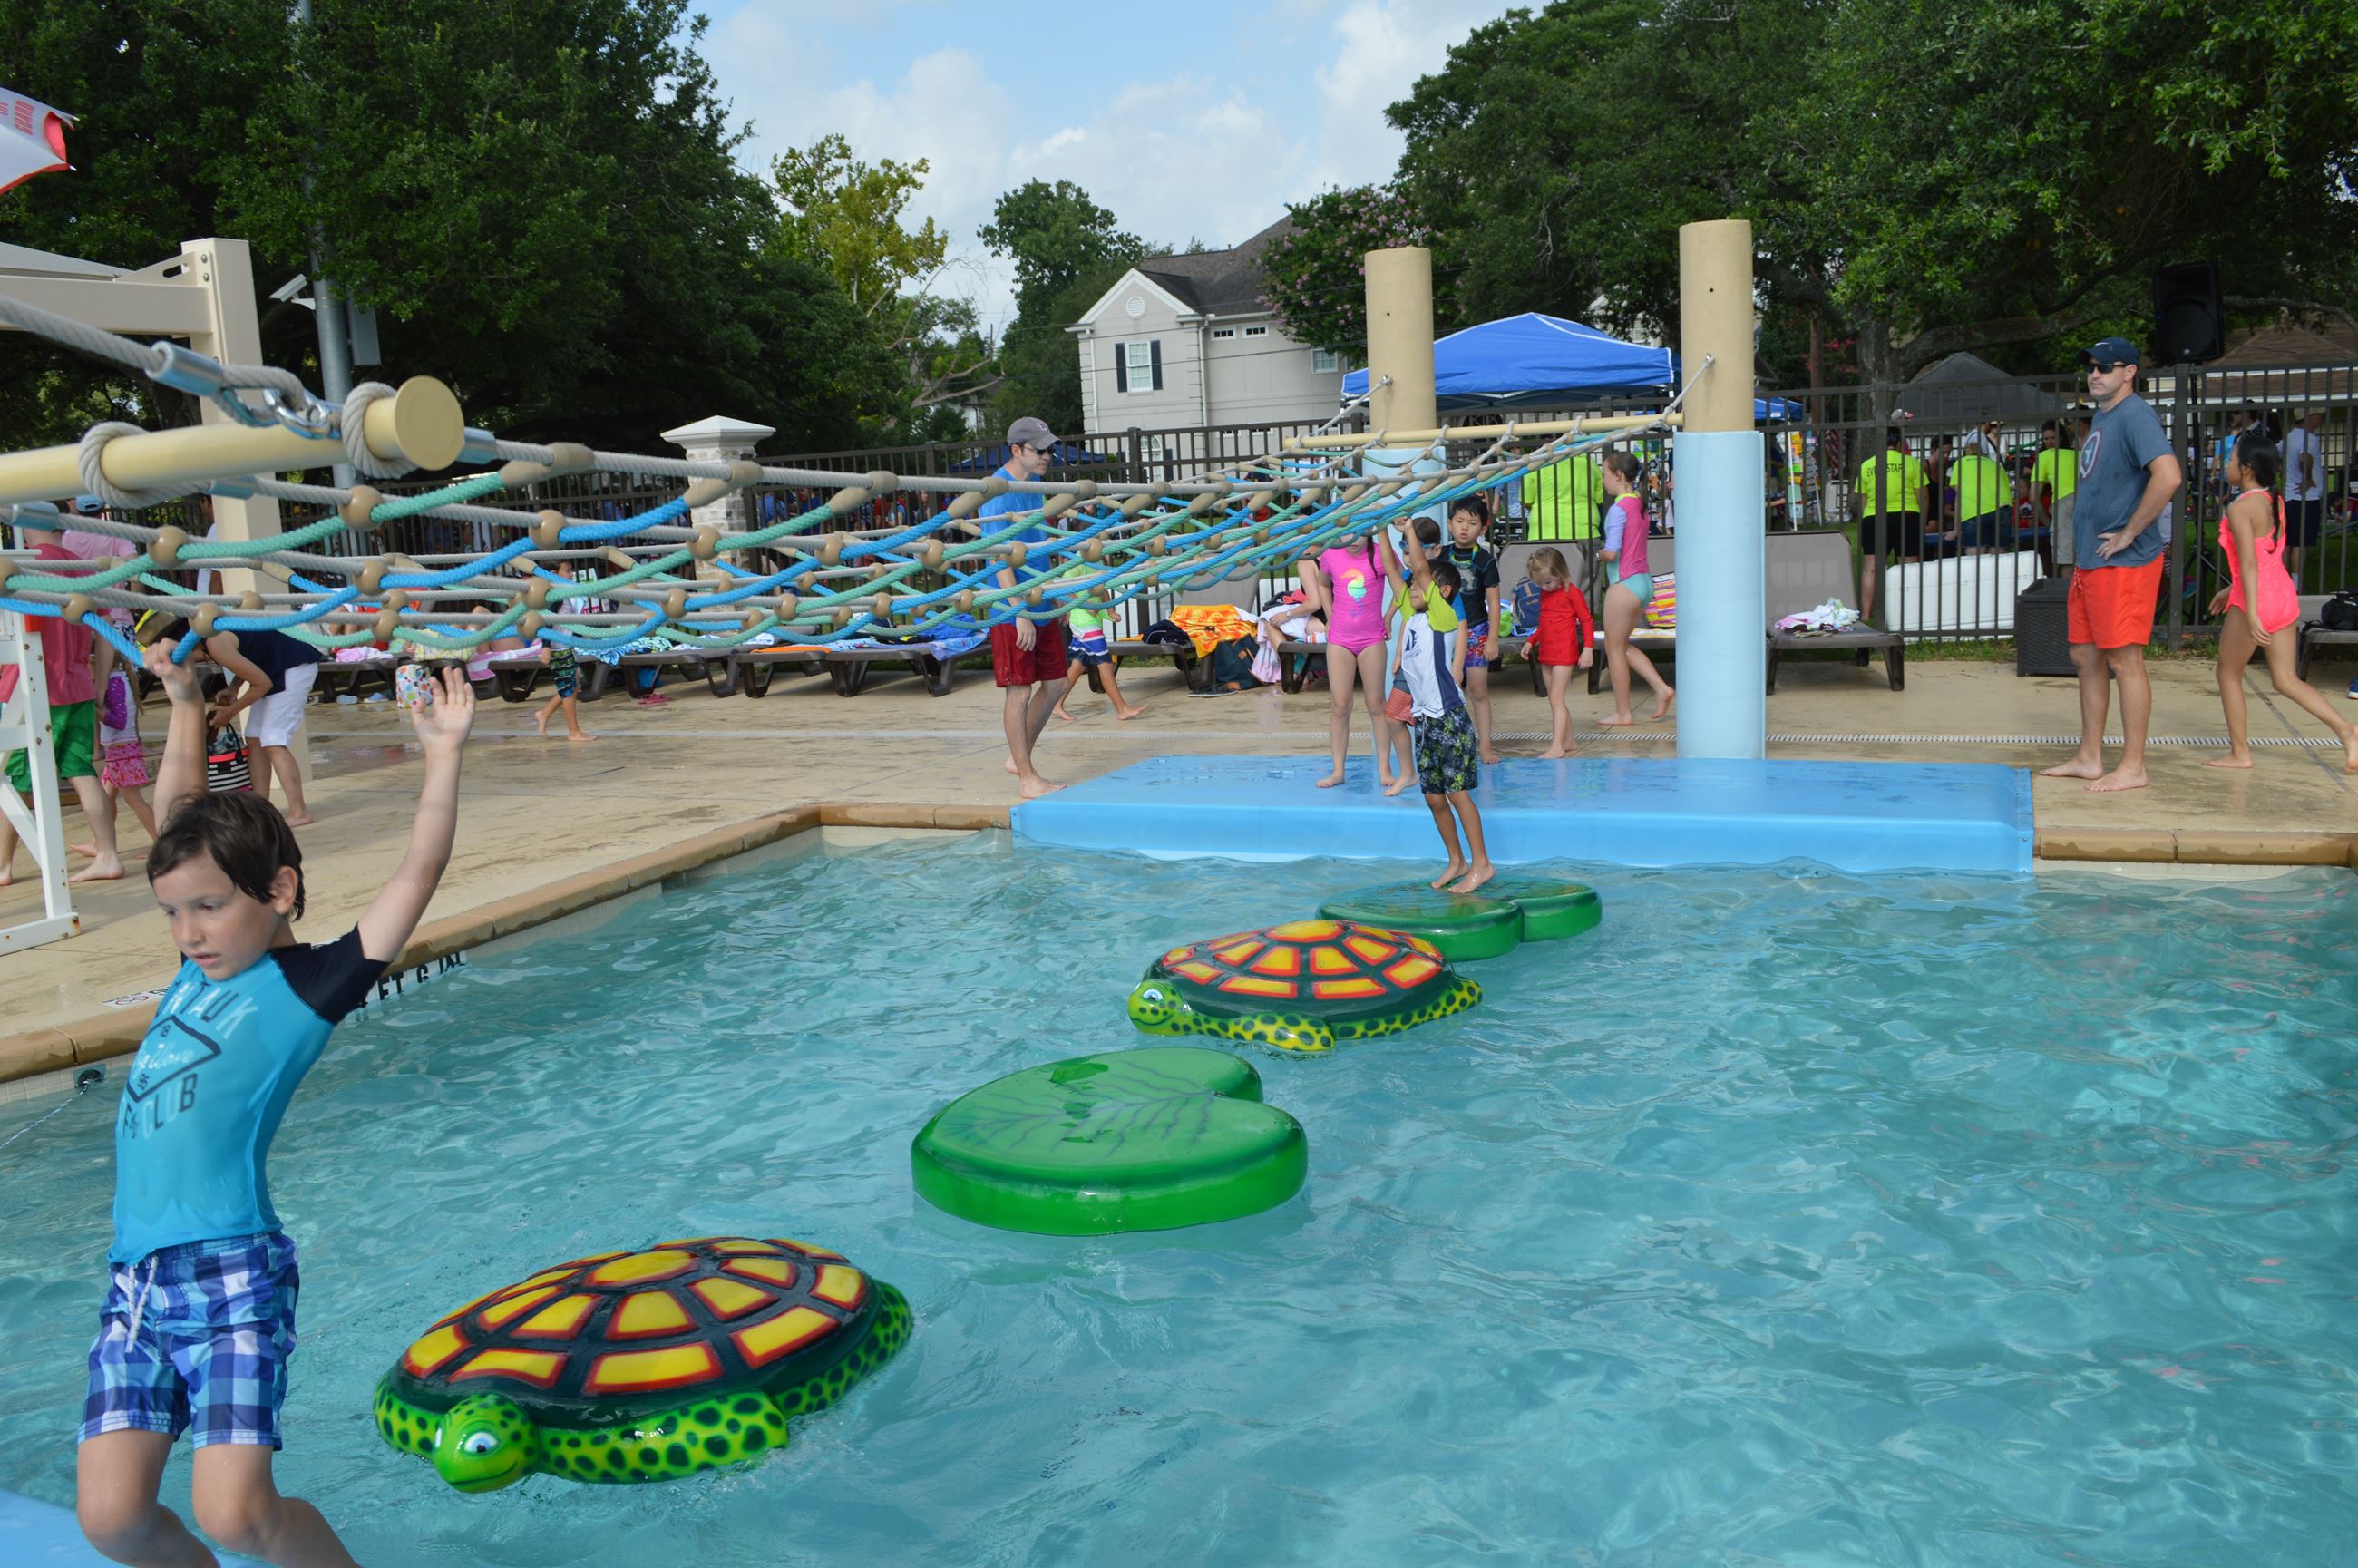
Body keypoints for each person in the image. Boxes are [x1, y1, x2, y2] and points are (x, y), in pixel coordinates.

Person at [74, 642, 473, 1568]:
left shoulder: (305, 987)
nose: (188, 932)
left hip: (230, 1273)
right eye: (174, 912)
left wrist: (443, 756)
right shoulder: (196, 965)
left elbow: (416, 873)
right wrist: (183, 701)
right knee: (112, 1520)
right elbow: (182, 811)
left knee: (236, 1513)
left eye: (208, 908)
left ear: (280, 890)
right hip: (135, 1282)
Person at [2041, 336, 2183, 794]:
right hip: (2092, 561)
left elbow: (2169, 476)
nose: (2095, 374)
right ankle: (2090, 757)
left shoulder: (2136, 415)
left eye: (2105, 366)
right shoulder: (2105, 416)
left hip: (2124, 563)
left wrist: (2130, 532)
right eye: (2090, 367)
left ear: (2130, 372)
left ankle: (2134, 766)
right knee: (2085, 656)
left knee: (2125, 659)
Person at [2205, 432, 2358, 773]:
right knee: (2287, 680)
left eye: (2231, 459)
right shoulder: (2274, 500)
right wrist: (2231, 590)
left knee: (2227, 673)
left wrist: (2251, 612)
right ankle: (2347, 731)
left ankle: (2240, 753)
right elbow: (2268, 555)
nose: (2227, 465)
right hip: (2283, 595)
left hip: (2256, 600)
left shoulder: (2240, 507)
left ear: (2246, 468)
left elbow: (2249, 563)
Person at [1, 519, 122, 885]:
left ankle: (2, 865)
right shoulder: (83, 566)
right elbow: (106, 632)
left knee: (15, 779)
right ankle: (108, 854)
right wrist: (100, 684)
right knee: (81, 770)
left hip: (31, 688)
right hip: (76, 685)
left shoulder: (22, 567)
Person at [1377, 529, 1493, 892]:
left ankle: (1482, 864)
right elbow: (1394, 570)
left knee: (1458, 794)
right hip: (1426, 720)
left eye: (1418, 586)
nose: (1411, 588)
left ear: (1441, 592)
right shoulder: (1412, 616)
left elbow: (1421, 569)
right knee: (1433, 797)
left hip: (1449, 718)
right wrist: (1380, 529)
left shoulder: (1441, 617)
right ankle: (1457, 861)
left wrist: (1409, 529)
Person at [985, 416, 1067, 799]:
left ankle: (1017, 759)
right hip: (1011, 608)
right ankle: (1026, 778)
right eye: (1040, 450)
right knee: (1019, 690)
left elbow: (1037, 546)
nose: (1047, 456)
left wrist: (1055, 593)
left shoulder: (1033, 486)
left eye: (1050, 449)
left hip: (1040, 599)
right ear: (1016, 450)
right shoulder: (999, 492)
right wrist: (1018, 612)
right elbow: (998, 558)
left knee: (1056, 684)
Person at [1300, 526, 1397, 791]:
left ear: (1371, 532)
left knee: (1377, 704)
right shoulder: (1331, 554)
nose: (1352, 539)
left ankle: (1384, 768)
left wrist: (1388, 617)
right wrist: (1330, 616)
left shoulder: (1380, 554)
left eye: (1360, 532)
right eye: (1347, 532)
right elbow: (1322, 583)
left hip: (1371, 640)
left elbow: (1403, 584)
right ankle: (1338, 770)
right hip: (1340, 641)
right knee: (1340, 705)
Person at [200, 628, 322, 827]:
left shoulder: (214, 642)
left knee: (274, 741)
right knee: (254, 738)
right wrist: (233, 688)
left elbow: (261, 684)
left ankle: (299, 812)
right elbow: (250, 659)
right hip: (273, 667)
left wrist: (230, 711)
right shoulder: (213, 637)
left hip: (292, 666)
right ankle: (260, 809)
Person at [1596, 451, 1674, 726]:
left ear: (1618, 475)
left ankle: (1623, 713)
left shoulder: (1618, 509)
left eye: (1605, 474)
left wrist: (1598, 553)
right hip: (1643, 583)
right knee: (1620, 645)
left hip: (1624, 584)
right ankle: (1661, 689)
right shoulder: (1639, 504)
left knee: (1613, 649)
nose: (1603, 480)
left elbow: (1612, 553)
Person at [1440, 496, 1504, 764]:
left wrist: (1492, 639)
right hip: (1446, 631)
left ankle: (1485, 745)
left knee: (1478, 689)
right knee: (1445, 689)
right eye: (1459, 521)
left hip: (1476, 630)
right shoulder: (1441, 556)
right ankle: (1448, 742)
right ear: (1450, 524)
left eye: (1472, 523)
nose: (1465, 527)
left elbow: (1494, 602)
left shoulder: (1485, 561)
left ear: (1484, 528)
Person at [1516, 546, 1594, 758]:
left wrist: (1588, 648)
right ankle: (1568, 741)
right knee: (1555, 699)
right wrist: (1531, 640)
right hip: (1547, 652)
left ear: (1560, 573)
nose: (1545, 587)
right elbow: (1545, 622)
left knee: (1556, 698)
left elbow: (1586, 620)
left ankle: (1557, 746)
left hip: (1564, 653)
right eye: (1540, 584)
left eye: (1548, 582)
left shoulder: (1571, 592)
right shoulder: (1546, 593)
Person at [1047, 563, 1145, 724]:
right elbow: (1066, 588)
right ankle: (1122, 709)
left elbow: (1102, 589)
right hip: (1084, 624)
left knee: (1078, 665)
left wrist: (1111, 611)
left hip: (1089, 622)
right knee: (1105, 664)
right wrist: (1087, 606)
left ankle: (1057, 704)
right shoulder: (1077, 566)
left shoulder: (1095, 564)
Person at [1854, 427, 1927, 625]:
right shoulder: (1911, 463)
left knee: (1871, 568)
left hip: (1874, 516)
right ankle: (1908, 613)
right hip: (1907, 515)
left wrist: (1869, 518)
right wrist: (1921, 521)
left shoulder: (1866, 465)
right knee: (1908, 567)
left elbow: (1863, 499)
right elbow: (1922, 496)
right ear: (1899, 443)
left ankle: (1866, 615)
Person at [1951, 431, 2015, 555]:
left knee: (1977, 562)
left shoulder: (1960, 463)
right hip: (2003, 509)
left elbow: (1959, 497)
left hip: (1975, 511)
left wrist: (1956, 529)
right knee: (1997, 560)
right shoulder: (1996, 465)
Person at [2284, 407, 2325, 586]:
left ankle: (2283, 581)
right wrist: (2308, 478)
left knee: (2287, 542)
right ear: (2310, 417)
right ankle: (2296, 584)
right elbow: (2304, 458)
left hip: (2289, 496)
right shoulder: (2309, 438)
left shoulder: (2289, 437)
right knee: (2301, 543)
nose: (2320, 419)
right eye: (2318, 416)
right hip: (2306, 498)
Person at [1521, 451, 1602, 541]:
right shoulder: (1588, 461)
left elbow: (1526, 500)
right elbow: (1600, 499)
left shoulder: (1536, 462)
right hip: (1585, 530)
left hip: (1544, 531)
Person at [2031, 419, 2078, 570]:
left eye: (2052, 438)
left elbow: (2033, 497)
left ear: (2061, 438)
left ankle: (2067, 586)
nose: (2049, 442)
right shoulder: (2078, 454)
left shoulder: (2044, 456)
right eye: (2046, 439)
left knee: (2066, 560)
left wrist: (2047, 522)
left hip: (2063, 502)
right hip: (2086, 502)